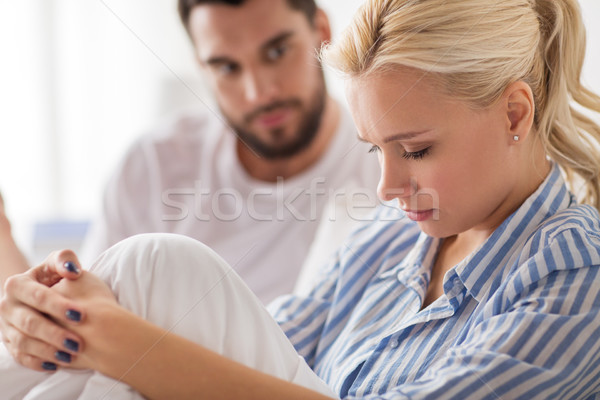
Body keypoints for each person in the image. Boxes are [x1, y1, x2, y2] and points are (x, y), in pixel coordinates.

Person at [2, 0, 600, 398]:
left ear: (514, 114)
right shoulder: (389, 239)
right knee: (146, 272)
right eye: (375, 151)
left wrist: (117, 338)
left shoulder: (573, 266)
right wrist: (74, 324)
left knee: (153, 273)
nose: (387, 188)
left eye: (415, 150)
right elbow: (244, 346)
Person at [1, 0, 380, 304]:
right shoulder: (154, 163)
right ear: (201, 67)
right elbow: (84, 315)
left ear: (322, 33)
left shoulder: (386, 167)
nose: (259, 92)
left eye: (277, 51)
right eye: (227, 67)